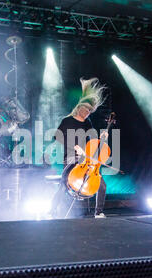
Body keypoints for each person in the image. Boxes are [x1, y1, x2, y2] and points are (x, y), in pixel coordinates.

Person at [49, 77, 108, 219]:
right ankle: (51, 211)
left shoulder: (87, 122)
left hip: (85, 159)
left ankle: (98, 212)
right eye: (86, 109)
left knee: (102, 185)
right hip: (70, 158)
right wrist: (74, 147)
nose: (88, 112)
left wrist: (103, 136)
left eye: (90, 111)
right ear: (79, 107)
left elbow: (94, 140)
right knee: (64, 184)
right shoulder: (67, 120)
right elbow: (56, 137)